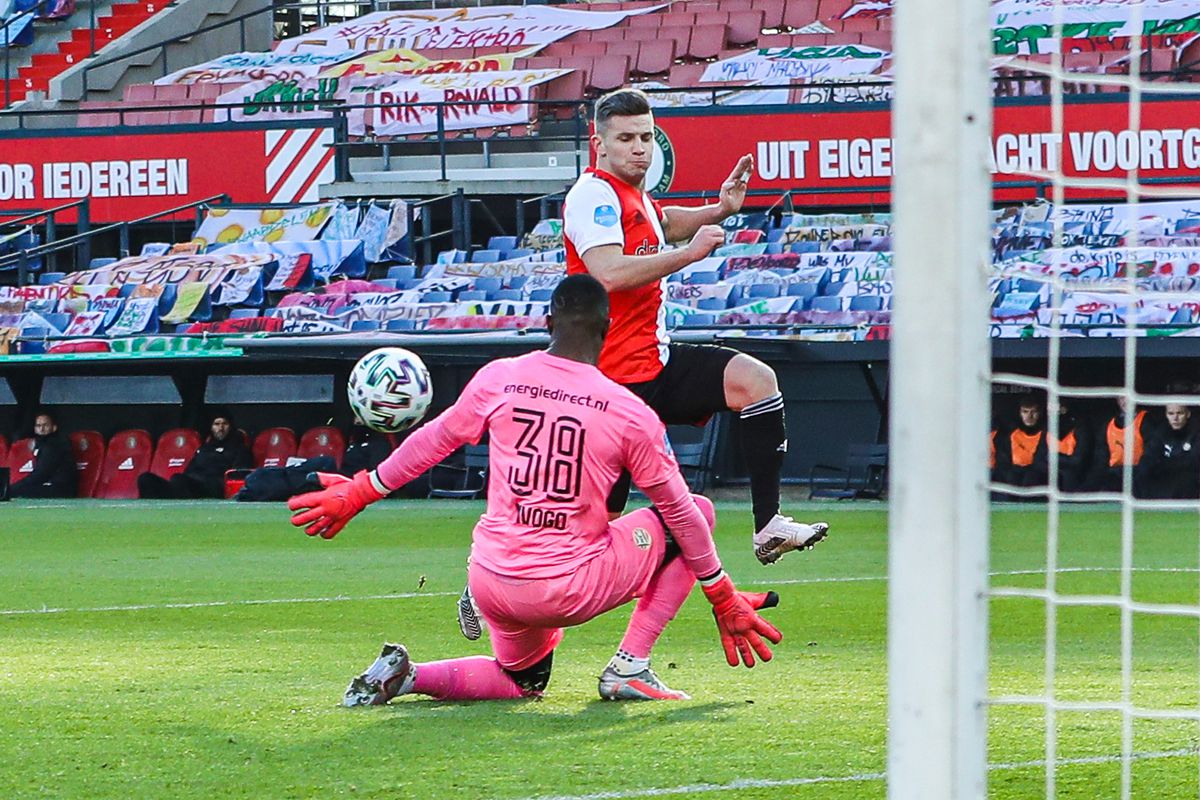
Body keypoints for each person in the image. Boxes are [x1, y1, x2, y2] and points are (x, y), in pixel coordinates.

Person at [289, 274, 784, 705]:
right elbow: (679, 512)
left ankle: (410, 676)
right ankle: (630, 665)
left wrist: (360, 491)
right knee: (695, 510)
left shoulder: (500, 377)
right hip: (563, 586)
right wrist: (721, 595)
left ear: (548, 324)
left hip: (491, 577)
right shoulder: (628, 411)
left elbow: (433, 441)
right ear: (607, 332)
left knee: (522, 680)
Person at [560, 87, 827, 565]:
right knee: (588, 531)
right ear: (598, 144)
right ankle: (490, 584)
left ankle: (768, 525)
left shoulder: (632, 194)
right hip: (612, 380)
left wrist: (721, 208)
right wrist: (687, 256)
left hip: (653, 362)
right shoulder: (593, 196)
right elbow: (608, 272)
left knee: (755, 381)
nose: (639, 148)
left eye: (645, 136)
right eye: (625, 138)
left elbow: (667, 222)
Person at [137, 411, 252, 499]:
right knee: (145, 479)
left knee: (179, 480)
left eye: (224, 424)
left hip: (212, 487)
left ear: (230, 426)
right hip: (190, 484)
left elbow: (238, 476)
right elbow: (189, 472)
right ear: (211, 427)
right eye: (216, 424)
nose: (220, 428)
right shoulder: (204, 449)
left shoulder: (239, 449)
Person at [1085, 396, 1150, 493]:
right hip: (1114, 475)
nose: (1125, 402)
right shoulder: (1108, 424)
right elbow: (1101, 459)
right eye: (1121, 398)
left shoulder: (1147, 420)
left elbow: (1151, 454)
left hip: (1139, 474)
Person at [1136, 403, 1200, 499]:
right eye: (1171, 413)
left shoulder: (1196, 432)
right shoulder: (1161, 432)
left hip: (1188, 484)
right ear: (1166, 415)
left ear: (1188, 414)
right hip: (1164, 479)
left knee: (1186, 478)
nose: (1175, 418)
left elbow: (1193, 462)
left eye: (1180, 413)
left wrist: (1164, 464)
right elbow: (1149, 457)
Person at [9, 412, 76, 498]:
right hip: (50, 485)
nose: (42, 429)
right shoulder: (42, 445)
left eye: (45, 425)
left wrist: (11, 489)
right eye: (38, 426)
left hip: (60, 489)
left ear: (54, 427)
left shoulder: (55, 446)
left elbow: (41, 474)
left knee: (19, 491)